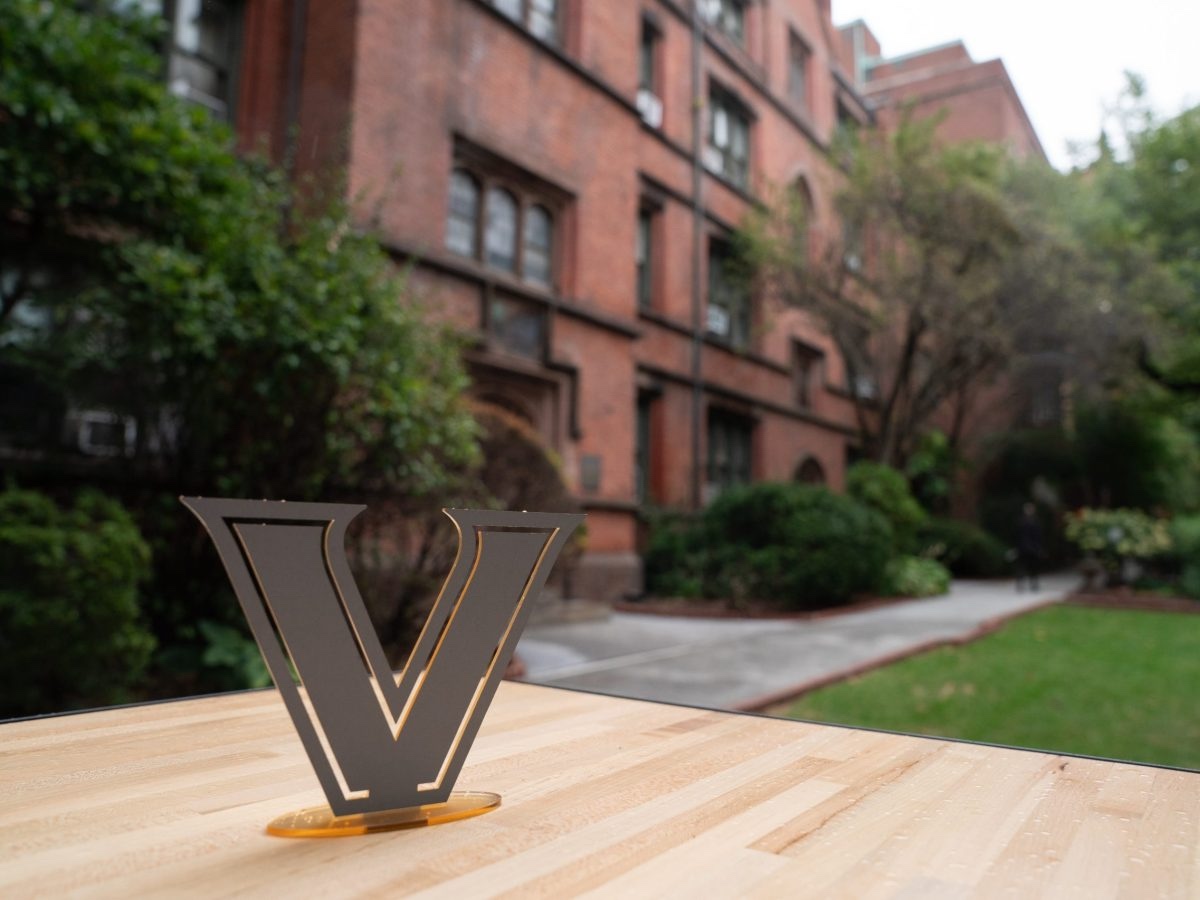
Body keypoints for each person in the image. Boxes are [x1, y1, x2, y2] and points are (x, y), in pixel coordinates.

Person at [1015, 502, 1044, 592]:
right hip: (1028, 548)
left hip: (1026, 548)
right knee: (1026, 566)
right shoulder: (1032, 521)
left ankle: (1030, 583)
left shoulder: (1023, 521)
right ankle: (1027, 583)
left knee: (1029, 566)